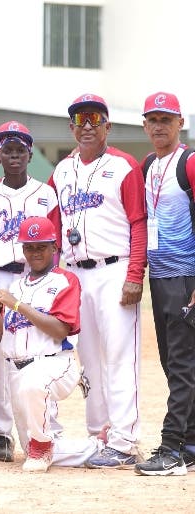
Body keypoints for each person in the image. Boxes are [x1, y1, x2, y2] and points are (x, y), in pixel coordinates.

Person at [50, 93, 147, 469]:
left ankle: (124, 441)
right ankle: (99, 434)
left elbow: (139, 223)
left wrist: (135, 275)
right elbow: (53, 223)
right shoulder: (61, 170)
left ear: (108, 126)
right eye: (79, 119)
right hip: (75, 273)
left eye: (94, 119)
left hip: (115, 269)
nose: (86, 126)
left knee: (120, 357)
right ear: (71, 127)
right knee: (87, 358)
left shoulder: (124, 166)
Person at [0, 120, 60, 461]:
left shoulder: (46, 194)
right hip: (2, 278)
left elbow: (56, 245)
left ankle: (43, 434)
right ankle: (1, 434)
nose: (14, 155)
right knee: (2, 359)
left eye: (20, 149)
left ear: (30, 153)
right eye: (7, 150)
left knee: (39, 354)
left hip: (37, 279)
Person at [0, 217, 97, 472]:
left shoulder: (65, 280)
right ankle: (94, 448)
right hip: (18, 367)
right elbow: (5, 336)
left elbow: (61, 328)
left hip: (54, 363)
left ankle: (43, 448)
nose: (35, 252)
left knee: (33, 385)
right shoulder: (16, 285)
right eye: (30, 247)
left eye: (41, 246)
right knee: (32, 448)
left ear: (54, 247)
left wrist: (16, 305)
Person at [134, 91, 195, 475]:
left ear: (180, 123)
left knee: (183, 364)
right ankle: (189, 443)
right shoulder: (148, 166)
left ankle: (171, 449)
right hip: (159, 278)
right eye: (152, 120)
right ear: (144, 125)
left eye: (166, 120)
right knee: (174, 365)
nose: (159, 126)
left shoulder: (189, 163)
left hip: (186, 276)